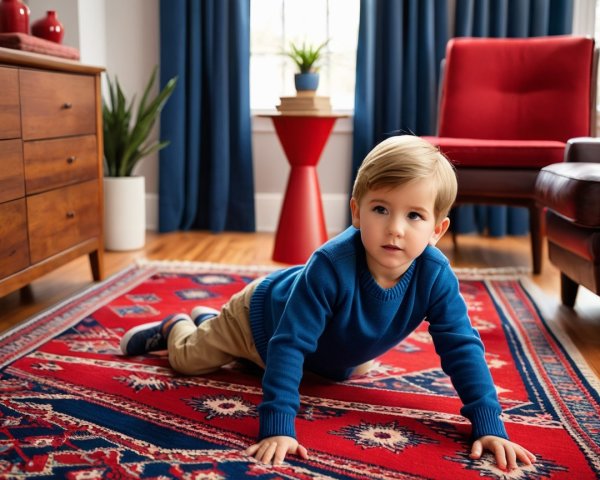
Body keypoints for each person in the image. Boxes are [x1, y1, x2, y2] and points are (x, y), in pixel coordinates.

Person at [121, 135, 536, 471]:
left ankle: (210, 321)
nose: (394, 228)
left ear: (437, 229)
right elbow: (289, 343)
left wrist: (489, 423)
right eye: (380, 209)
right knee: (190, 360)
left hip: (329, 349)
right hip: (261, 320)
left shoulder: (436, 275)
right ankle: (179, 325)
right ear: (356, 212)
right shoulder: (330, 264)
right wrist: (278, 425)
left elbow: (462, 346)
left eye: (414, 216)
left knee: (351, 369)